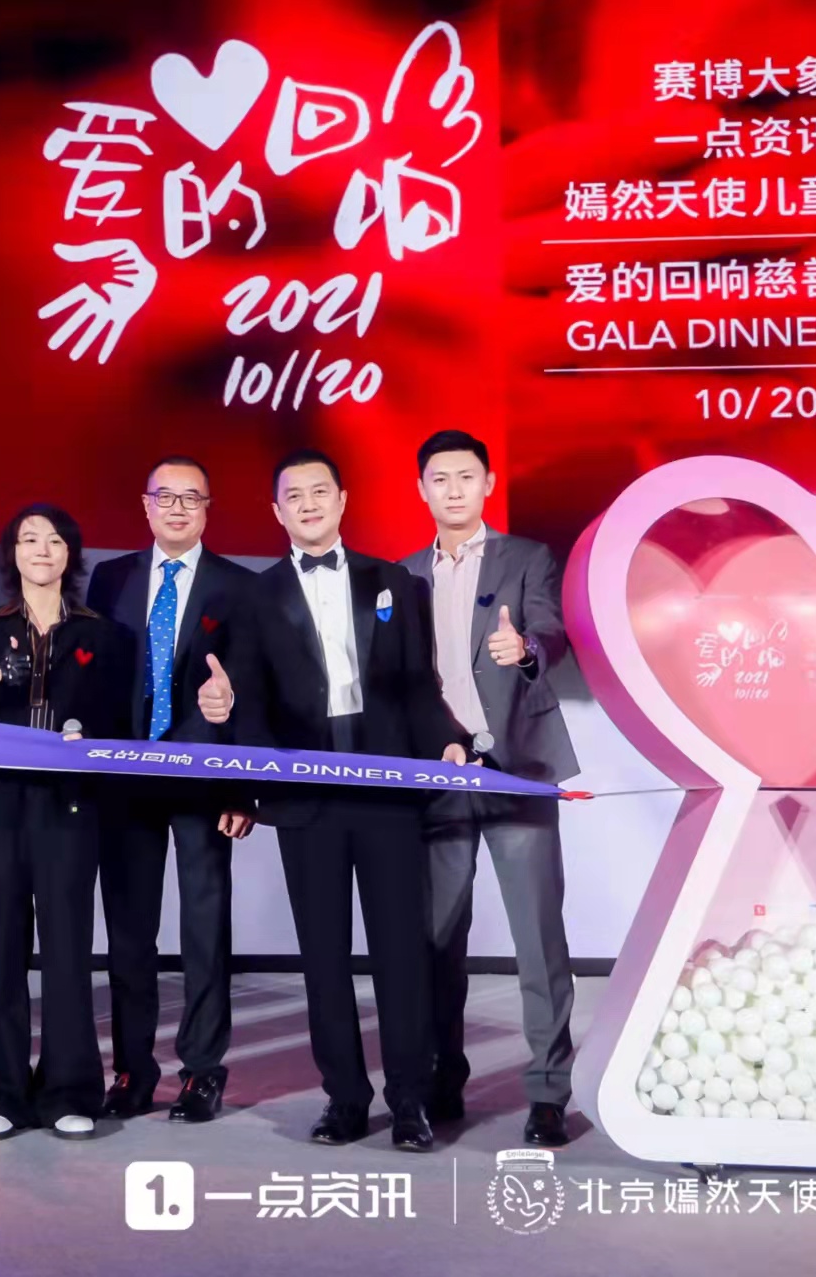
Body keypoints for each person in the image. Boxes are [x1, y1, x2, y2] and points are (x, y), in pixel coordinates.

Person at [206, 449, 469, 1151]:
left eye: (320, 491)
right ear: (277, 511)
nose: (309, 504)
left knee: (401, 953)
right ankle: (345, 1098)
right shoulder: (254, 597)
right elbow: (250, 704)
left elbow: (420, 687)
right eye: (294, 495)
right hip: (306, 800)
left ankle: (409, 1099)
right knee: (323, 956)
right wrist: (243, 788)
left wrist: (447, 742)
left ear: (343, 499)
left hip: (387, 791)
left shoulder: (394, 582)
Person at [399, 430, 579, 1149]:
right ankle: (443, 1078)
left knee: (538, 937)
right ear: (422, 490)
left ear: (488, 484)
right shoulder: (403, 575)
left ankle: (548, 1092)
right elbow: (403, 678)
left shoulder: (526, 558)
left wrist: (525, 648)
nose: (453, 489)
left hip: (517, 770)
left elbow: (552, 632)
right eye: (439, 478)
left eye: (465, 477)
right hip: (439, 775)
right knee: (437, 940)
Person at [84, 455, 255, 1123]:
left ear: (208, 508)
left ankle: (203, 1071)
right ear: (146, 504)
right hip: (125, 780)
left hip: (204, 779)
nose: (178, 508)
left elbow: (256, 689)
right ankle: (132, 1069)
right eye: (166, 496)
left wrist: (243, 784)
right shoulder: (112, 577)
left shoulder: (240, 586)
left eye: (192, 498)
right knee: (129, 932)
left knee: (205, 928)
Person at [0, 505, 133, 1140]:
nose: (41, 549)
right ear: (12, 553)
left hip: (70, 806)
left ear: (70, 554)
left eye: (54, 540)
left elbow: (119, 720)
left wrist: (87, 732)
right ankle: (1, 1094)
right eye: (28, 539)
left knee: (67, 950)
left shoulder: (103, 635)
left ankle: (69, 1091)